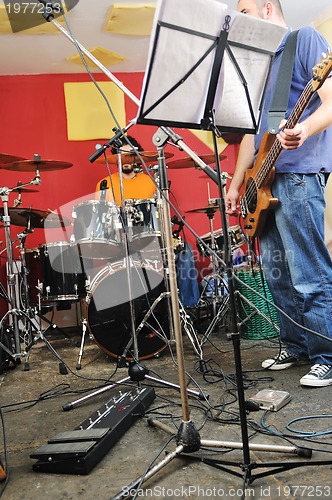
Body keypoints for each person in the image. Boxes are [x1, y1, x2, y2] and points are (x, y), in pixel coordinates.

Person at [225, 0, 332, 387]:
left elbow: (331, 101)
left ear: (267, 7)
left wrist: (304, 130)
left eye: (245, 12)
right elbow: (253, 140)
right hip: (262, 185)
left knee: (308, 270)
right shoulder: (262, 67)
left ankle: (327, 354)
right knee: (278, 273)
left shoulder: (305, 39)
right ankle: (296, 345)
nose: (241, 21)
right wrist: (237, 185)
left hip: (298, 174)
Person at [95, 135, 156, 205]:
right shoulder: (104, 184)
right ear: (116, 158)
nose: (125, 160)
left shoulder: (151, 182)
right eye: (122, 156)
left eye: (129, 155)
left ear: (137, 157)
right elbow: (101, 214)